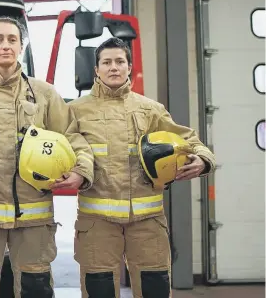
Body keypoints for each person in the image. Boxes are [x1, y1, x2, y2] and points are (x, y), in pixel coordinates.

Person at [0, 16, 95, 298]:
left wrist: (81, 170)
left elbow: (72, 137)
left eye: (12, 39)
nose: (5, 45)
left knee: (36, 287)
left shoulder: (44, 94)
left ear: (21, 46)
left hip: (33, 217)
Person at [68, 37, 216, 298]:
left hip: (147, 222)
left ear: (129, 67)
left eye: (119, 62)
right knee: (98, 288)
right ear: (96, 70)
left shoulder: (150, 109)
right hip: (96, 224)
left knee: (155, 288)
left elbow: (189, 140)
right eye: (107, 62)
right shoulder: (75, 111)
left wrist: (203, 159)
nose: (113, 67)